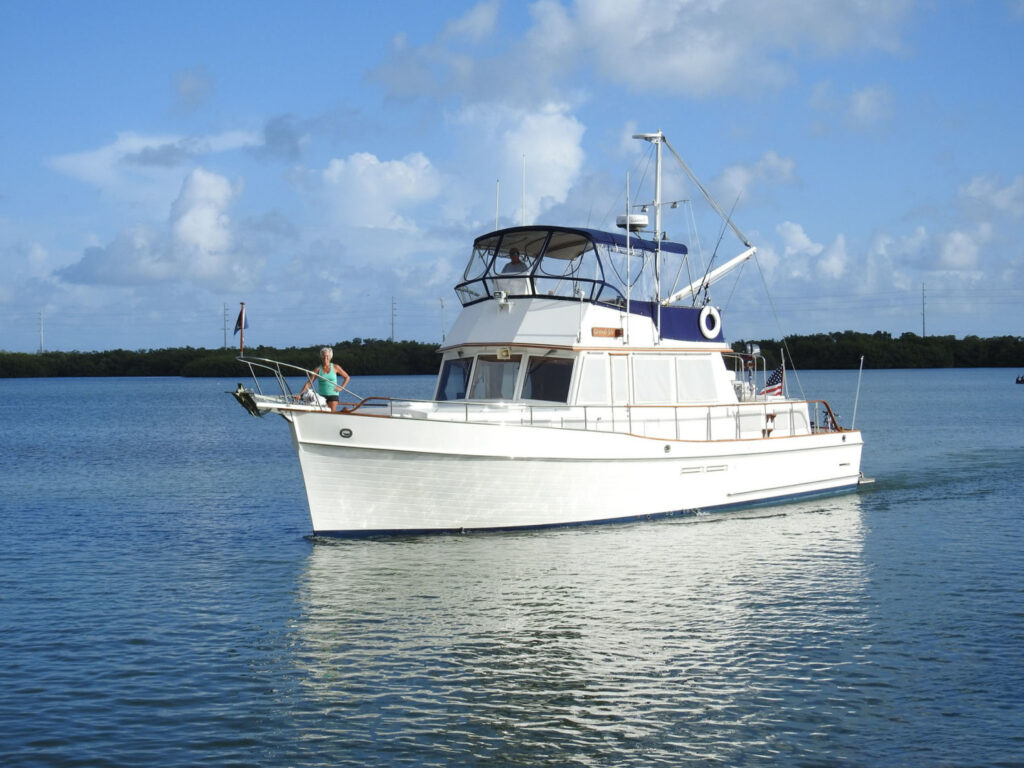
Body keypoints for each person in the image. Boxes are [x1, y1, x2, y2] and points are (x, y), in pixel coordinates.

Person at [297, 347, 350, 412]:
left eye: (327, 356)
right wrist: (300, 394)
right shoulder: (317, 369)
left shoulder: (335, 367)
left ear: (330, 357)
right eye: (323, 356)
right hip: (321, 396)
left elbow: (347, 377)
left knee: (332, 414)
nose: (325, 358)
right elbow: (309, 383)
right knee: (322, 414)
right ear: (321, 357)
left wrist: (341, 387)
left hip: (333, 395)